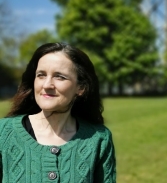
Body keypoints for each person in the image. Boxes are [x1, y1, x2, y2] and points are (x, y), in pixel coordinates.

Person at [0, 42, 116, 182]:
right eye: (41, 75)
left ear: (81, 88)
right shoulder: (4, 133)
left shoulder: (99, 139)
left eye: (60, 77)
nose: (47, 85)